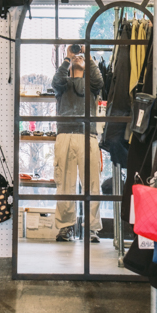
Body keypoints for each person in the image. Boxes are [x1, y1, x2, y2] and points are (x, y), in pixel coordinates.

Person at [52, 44, 103, 243]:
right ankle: (65, 227)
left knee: (92, 184)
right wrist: (68, 58)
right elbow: (56, 81)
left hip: (88, 135)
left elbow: (98, 80)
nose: (78, 56)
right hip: (65, 134)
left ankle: (91, 228)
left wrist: (87, 56)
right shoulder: (63, 84)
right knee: (64, 183)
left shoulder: (91, 84)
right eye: (76, 55)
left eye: (80, 55)